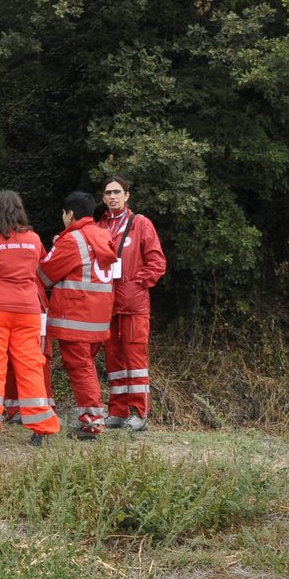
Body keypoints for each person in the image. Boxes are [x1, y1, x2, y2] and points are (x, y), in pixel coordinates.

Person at [0, 190, 59, 448]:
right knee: (30, 365)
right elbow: (39, 271)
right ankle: (42, 429)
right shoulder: (34, 239)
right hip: (28, 310)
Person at [42, 190, 118, 440]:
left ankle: (92, 422)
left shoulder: (72, 239)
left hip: (76, 316)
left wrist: (55, 248)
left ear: (70, 214)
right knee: (87, 367)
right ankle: (93, 418)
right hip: (99, 317)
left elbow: (44, 275)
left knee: (80, 367)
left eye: (64, 214)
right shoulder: (103, 235)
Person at [95, 174, 167, 431]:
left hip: (134, 306)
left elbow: (157, 263)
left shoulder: (141, 224)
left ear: (127, 195)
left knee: (135, 359)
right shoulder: (99, 225)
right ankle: (117, 411)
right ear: (103, 198)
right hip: (106, 304)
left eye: (117, 192)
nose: (112, 197)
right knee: (113, 360)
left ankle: (140, 413)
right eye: (107, 193)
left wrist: (137, 284)